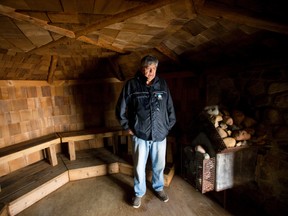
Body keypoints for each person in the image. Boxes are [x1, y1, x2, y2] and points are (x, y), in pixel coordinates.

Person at [116, 55, 176, 208]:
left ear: (156, 69)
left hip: (160, 134)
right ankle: (138, 193)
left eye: (153, 69)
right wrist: (126, 126)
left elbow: (170, 107)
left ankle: (158, 188)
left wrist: (168, 126)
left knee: (159, 165)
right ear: (141, 69)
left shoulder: (162, 84)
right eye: (147, 69)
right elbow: (120, 108)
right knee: (139, 166)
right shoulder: (131, 85)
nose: (150, 72)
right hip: (140, 134)